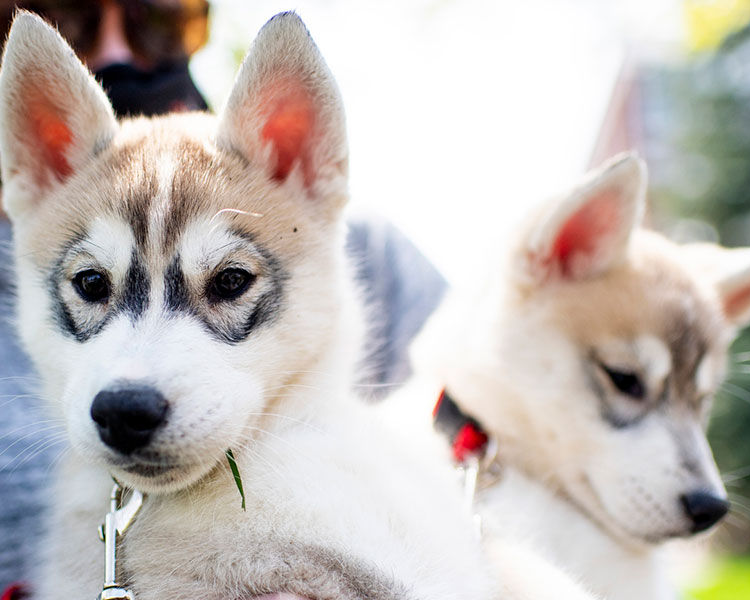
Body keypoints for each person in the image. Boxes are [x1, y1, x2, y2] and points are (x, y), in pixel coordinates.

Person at [0, 1, 446, 593]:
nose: (134, 377)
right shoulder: (66, 200)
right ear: (40, 172)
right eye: (91, 285)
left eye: (230, 282)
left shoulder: (357, 240)